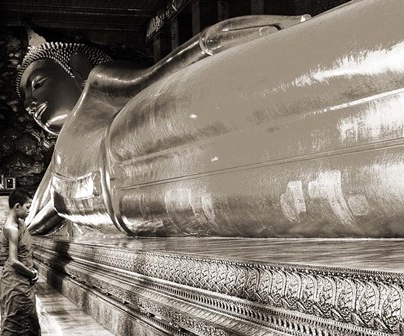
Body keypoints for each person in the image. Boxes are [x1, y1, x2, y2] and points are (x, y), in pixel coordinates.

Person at [22, 0, 404, 238]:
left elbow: (150, 77)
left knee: (305, 79)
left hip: (139, 131)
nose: (30, 106)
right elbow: (40, 218)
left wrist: (208, 42)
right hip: (146, 199)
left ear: (75, 65)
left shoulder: (95, 87)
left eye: (36, 85)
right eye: (24, 102)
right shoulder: (58, 164)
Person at [0, 189, 40, 336]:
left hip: (22, 281)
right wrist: (32, 274)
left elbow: (25, 253)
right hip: (15, 282)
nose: (29, 210)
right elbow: (14, 261)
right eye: (27, 207)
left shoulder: (20, 223)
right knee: (14, 322)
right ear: (17, 206)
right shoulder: (12, 228)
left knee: (29, 321)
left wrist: (31, 269)